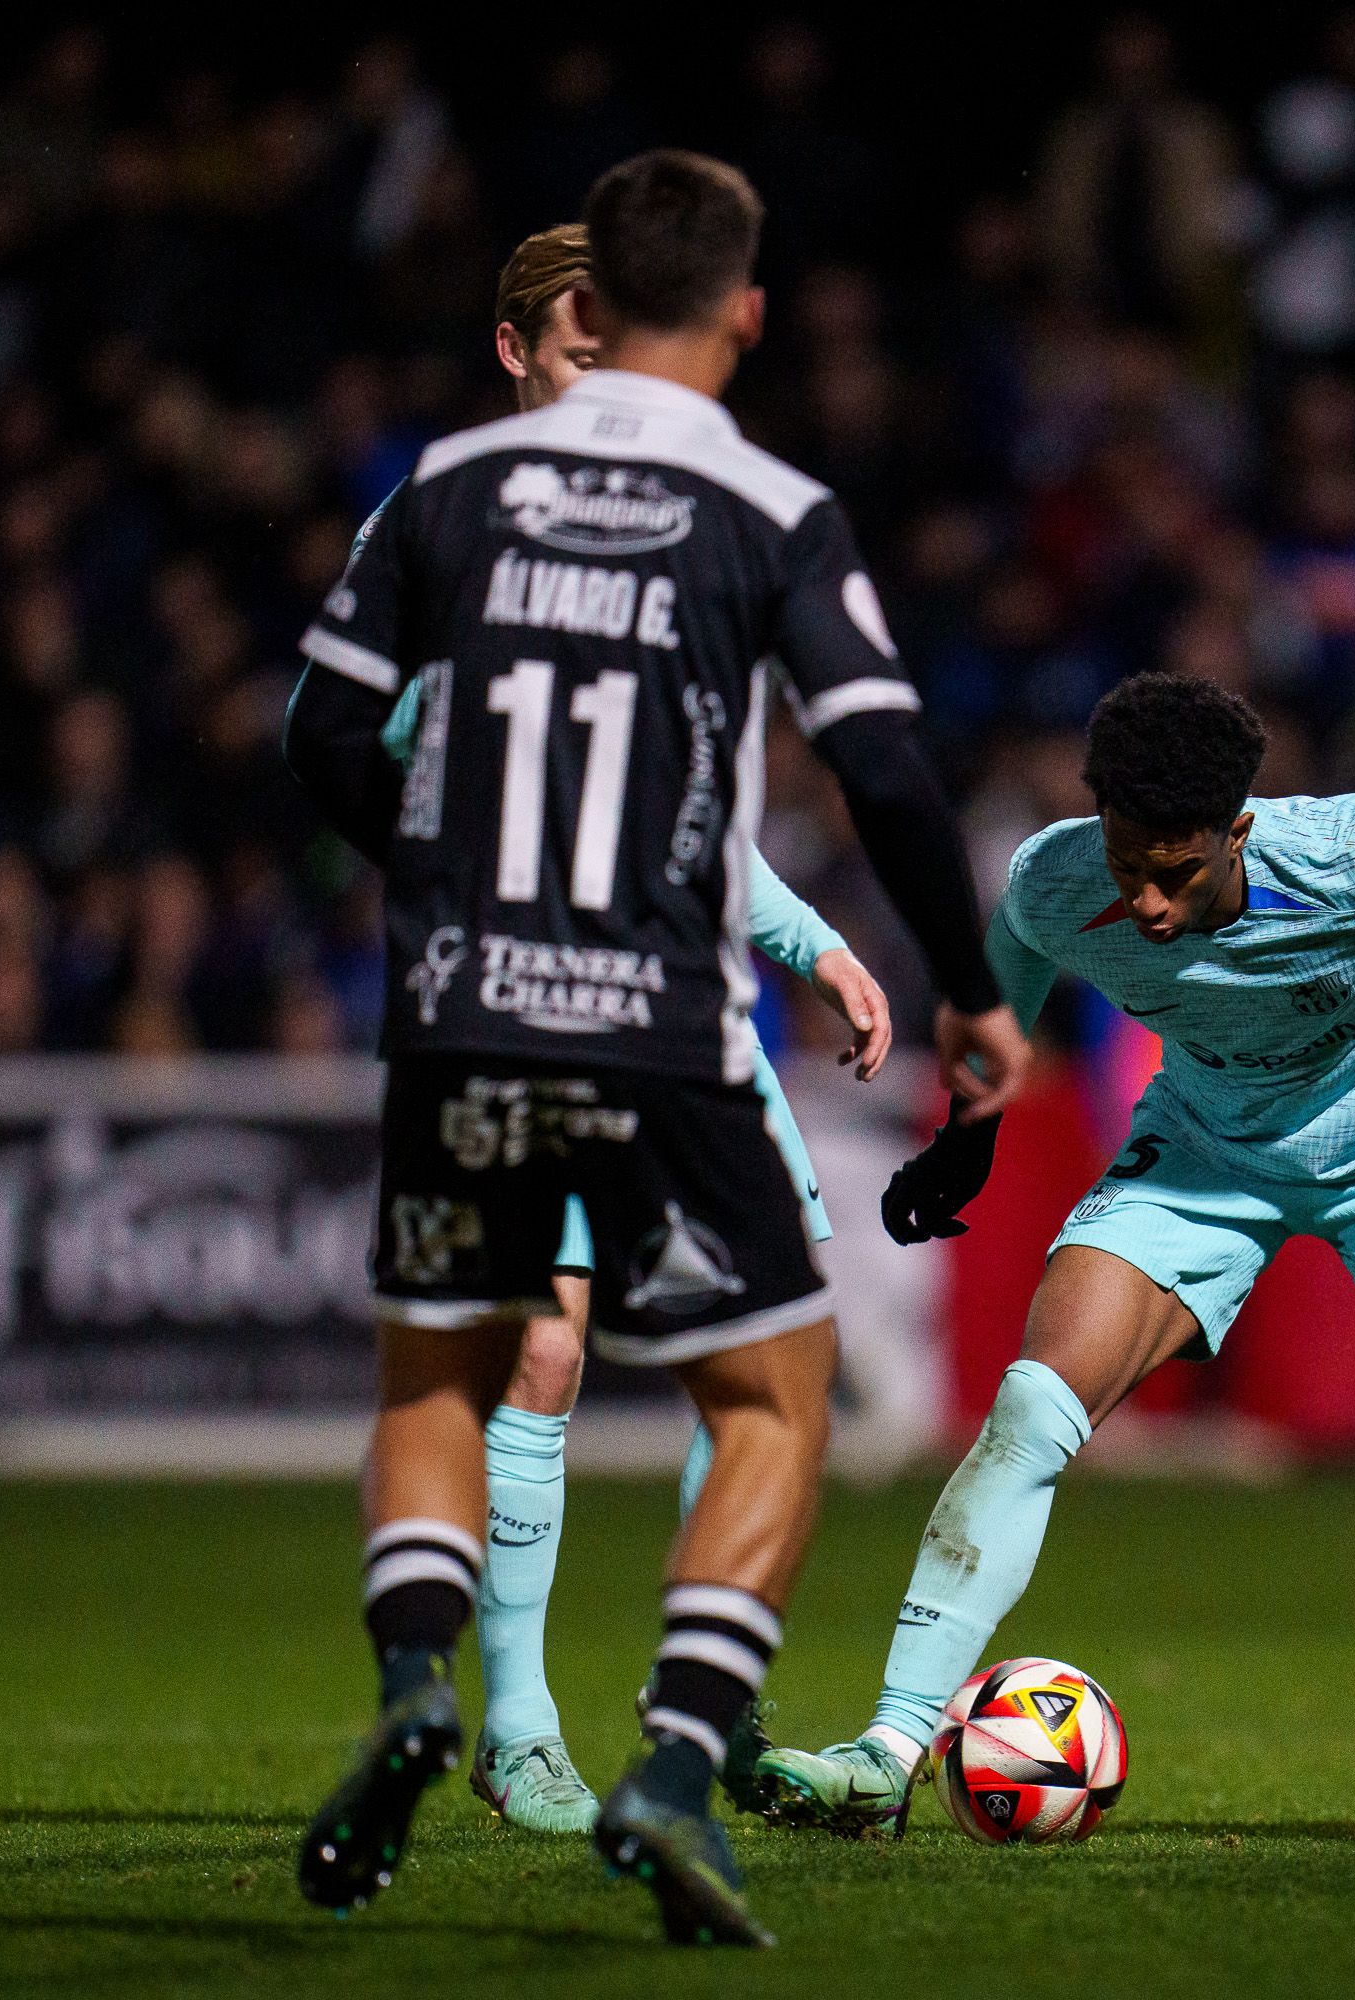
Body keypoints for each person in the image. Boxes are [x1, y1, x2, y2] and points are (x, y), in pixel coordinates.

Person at [281, 150, 1029, 1944]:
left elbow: (320, 735)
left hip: (470, 1006)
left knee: (439, 1376)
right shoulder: (771, 508)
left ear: (586, 312)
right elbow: (888, 764)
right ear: (748, 313)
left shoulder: (440, 494)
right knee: (774, 1392)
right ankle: (678, 1752)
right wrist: (965, 984)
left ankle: (419, 1687)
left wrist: (448, 872)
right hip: (660, 1021)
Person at [756, 670, 1355, 1836]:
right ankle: (891, 1743)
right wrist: (972, 1128)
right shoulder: (1063, 876)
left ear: (1239, 829)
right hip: (1206, 1153)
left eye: (1177, 870)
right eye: (1129, 867)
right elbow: (1006, 951)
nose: (1148, 904)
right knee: (1026, 1411)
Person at [460, 222, 894, 1836]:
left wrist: (809, 938)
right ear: (517, 355)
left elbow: (689, 814)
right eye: (580, 355)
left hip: (698, 1022)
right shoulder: (457, 534)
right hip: (531, 1014)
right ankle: (517, 1730)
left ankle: (696, 1705)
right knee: (551, 1344)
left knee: (769, 1373)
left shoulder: (684, 532)